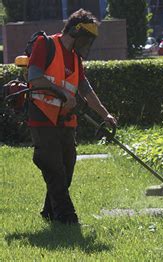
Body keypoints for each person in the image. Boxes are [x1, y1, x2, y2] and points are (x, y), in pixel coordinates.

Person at [27, 9, 117, 225]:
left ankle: (49, 212)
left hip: (66, 122)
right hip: (43, 118)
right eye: (87, 39)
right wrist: (63, 93)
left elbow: (85, 89)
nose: (88, 45)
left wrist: (105, 114)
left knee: (66, 170)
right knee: (54, 168)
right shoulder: (45, 44)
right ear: (76, 32)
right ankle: (67, 219)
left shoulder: (75, 58)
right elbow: (35, 77)